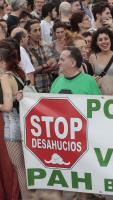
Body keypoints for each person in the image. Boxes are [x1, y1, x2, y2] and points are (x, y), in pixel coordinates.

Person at [0, 39, 30, 199]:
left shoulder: (5, 77)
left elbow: (7, 106)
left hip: (11, 127)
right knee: (24, 166)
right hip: (23, 124)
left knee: (19, 167)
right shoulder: (17, 74)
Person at [25, 19, 57, 93]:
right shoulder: (26, 49)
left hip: (49, 86)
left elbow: (54, 64)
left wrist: (40, 69)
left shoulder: (44, 45)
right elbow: (30, 71)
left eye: (39, 30)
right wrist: (46, 65)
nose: (39, 33)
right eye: (35, 31)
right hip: (35, 89)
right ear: (28, 33)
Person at [89, 27, 113, 95]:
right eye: (100, 40)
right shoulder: (93, 58)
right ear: (96, 43)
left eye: (106, 38)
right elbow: (89, 79)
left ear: (110, 40)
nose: (104, 42)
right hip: (99, 98)